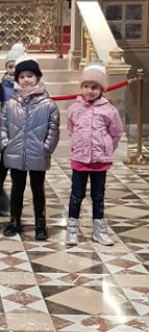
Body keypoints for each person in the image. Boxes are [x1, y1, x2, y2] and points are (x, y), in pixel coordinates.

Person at [0, 55, 60, 240]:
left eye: (30, 76)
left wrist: (46, 148)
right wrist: (5, 144)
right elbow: (3, 126)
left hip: (38, 153)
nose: (26, 80)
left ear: (37, 77)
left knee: (37, 189)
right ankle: (14, 221)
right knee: (17, 188)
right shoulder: (10, 104)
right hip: (15, 152)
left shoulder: (48, 104)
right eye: (22, 76)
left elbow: (53, 129)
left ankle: (40, 223)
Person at [66, 59, 123, 247]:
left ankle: (99, 230)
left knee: (98, 196)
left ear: (101, 89)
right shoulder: (74, 109)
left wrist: (107, 148)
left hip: (100, 161)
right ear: (81, 86)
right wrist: (78, 145)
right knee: (76, 194)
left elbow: (116, 133)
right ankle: (72, 229)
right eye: (86, 86)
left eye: (95, 87)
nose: (90, 91)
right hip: (80, 160)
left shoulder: (109, 110)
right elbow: (71, 129)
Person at [0, 43, 26, 216]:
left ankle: (3, 197)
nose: (12, 71)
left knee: (14, 169)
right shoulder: (2, 86)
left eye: (16, 67)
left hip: (21, 132)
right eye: (10, 67)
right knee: (3, 166)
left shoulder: (26, 86)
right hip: (6, 131)